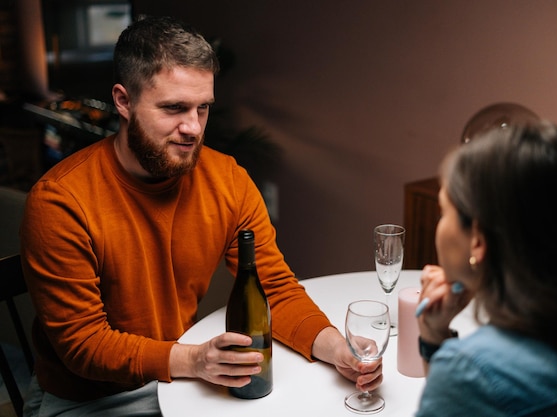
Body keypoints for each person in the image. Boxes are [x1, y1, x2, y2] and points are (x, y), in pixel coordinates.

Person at [19, 15, 381, 416]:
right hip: (91, 398)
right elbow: (84, 345)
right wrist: (193, 361)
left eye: (202, 108)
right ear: (123, 101)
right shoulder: (60, 202)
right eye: (174, 108)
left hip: (183, 378)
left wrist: (335, 348)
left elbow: (273, 288)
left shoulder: (226, 178)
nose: (192, 127)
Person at [414, 121, 557, 416]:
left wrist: (446, 359)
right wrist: (434, 339)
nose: (439, 224)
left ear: (477, 240)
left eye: (443, 211)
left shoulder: (471, 372)